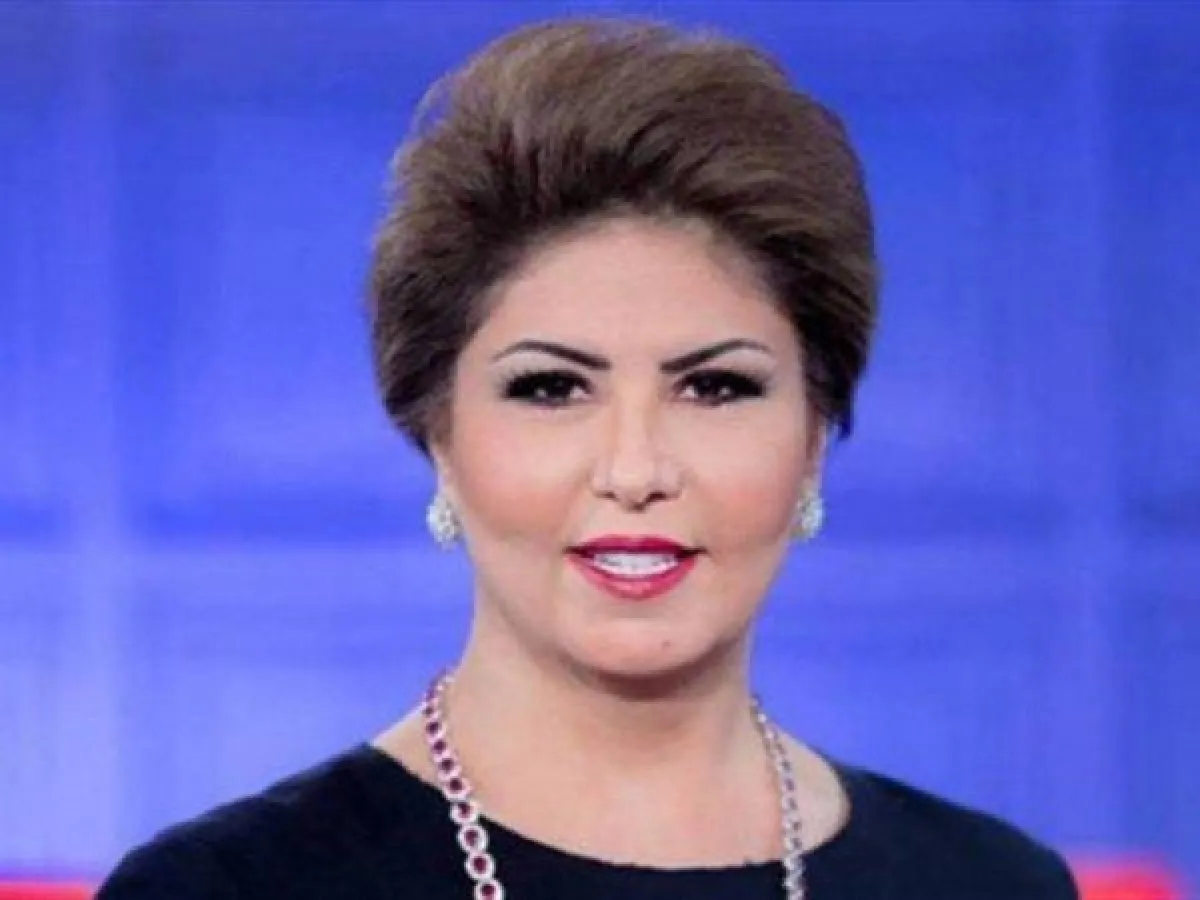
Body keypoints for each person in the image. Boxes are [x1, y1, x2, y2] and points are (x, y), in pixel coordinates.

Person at [97, 18, 1078, 900]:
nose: (635, 468)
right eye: (551, 388)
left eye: (715, 387)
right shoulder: (228, 888)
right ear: (438, 434)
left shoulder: (992, 883)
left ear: (815, 436)